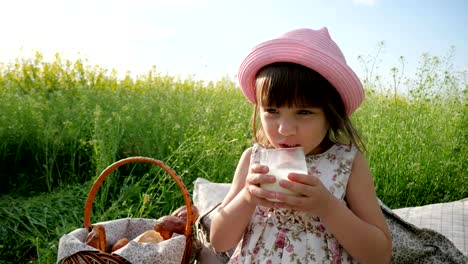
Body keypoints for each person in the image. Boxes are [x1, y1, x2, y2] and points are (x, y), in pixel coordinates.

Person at [209, 27, 392, 263]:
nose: (284, 129)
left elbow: (379, 255)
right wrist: (247, 197)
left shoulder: (346, 162)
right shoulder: (253, 159)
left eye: (303, 112)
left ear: (331, 114)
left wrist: (328, 207)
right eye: (272, 111)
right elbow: (219, 241)